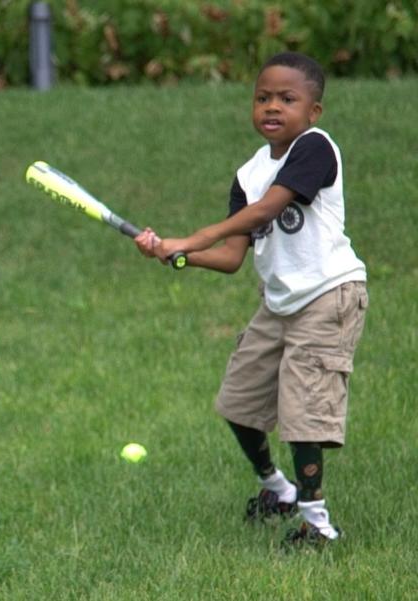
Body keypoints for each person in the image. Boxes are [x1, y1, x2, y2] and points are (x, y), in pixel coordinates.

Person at [136, 52, 367, 547]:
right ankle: (276, 489)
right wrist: (174, 255)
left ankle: (318, 523)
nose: (273, 107)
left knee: (303, 411)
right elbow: (232, 257)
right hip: (280, 302)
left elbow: (271, 207)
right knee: (238, 403)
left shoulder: (315, 148)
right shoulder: (247, 174)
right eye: (263, 98)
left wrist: (189, 238)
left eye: (288, 99)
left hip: (328, 295)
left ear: (313, 111)